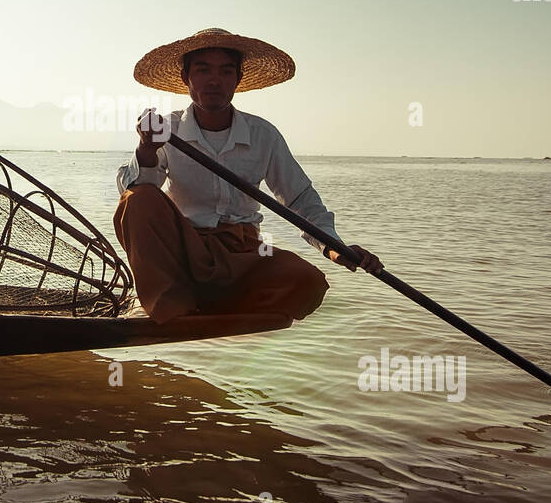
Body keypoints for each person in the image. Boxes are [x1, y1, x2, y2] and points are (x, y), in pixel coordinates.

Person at [113, 28, 382, 323]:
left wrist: (335, 248)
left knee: (308, 283)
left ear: (237, 80)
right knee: (137, 199)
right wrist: (147, 148)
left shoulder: (262, 134)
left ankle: (209, 302)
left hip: (242, 253)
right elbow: (132, 188)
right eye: (203, 70)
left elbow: (301, 199)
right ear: (186, 79)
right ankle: (167, 305)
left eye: (226, 71)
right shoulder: (168, 130)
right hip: (184, 252)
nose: (214, 80)